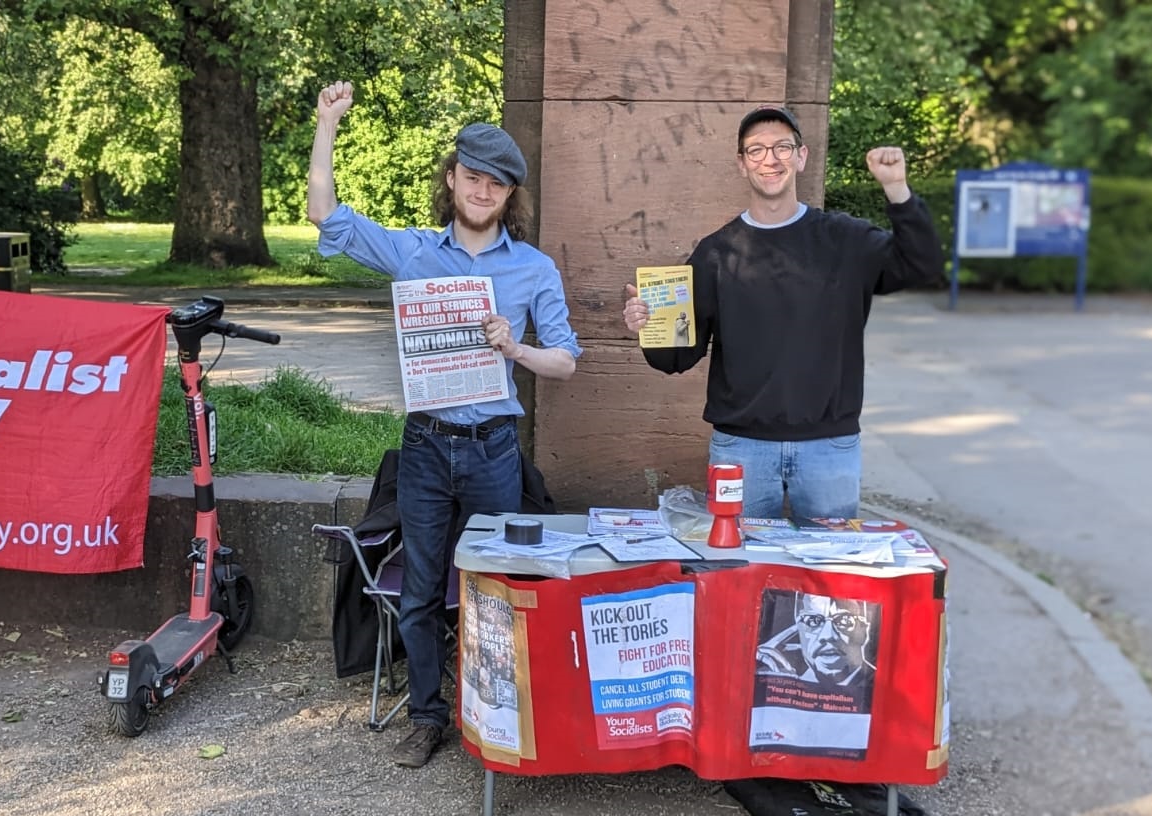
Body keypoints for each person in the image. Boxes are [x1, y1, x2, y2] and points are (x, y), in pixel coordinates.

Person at [308, 80, 581, 768]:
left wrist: (515, 349)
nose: (482, 190)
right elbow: (324, 215)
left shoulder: (534, 269)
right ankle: (428, 716)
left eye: (498, 183)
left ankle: (492, 713)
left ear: (511, 196)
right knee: (425, 587)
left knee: (492, 588)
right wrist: (327, 125)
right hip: (427, 447)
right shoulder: (414, 253)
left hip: (493, 451)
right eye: (472, 176)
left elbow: (567, 363)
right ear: (452, 179)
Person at [622, 105, 944, 519]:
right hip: (741, 448)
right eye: (755, 150)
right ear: (741, 164)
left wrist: (897, 189)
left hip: (829, 446)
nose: (769, 159)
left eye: (781, 147)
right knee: (736, 570)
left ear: (801, 156)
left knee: (829, 573)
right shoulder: (715, 253)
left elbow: (922, 265)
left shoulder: (843, 239)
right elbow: (677, 358)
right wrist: (650, 326)